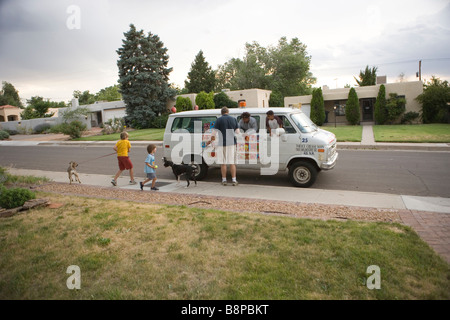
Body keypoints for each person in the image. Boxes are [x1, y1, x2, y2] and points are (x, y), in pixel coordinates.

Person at [213, 107, 240, 186]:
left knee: (223, 163)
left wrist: (210, 140)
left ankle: (224, 180)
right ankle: (234, 180)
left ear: (221, 113)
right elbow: (237, 132)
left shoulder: (218, 120)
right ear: (228, 112)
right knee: (232, 162)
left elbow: (214, 133)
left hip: (222, 144)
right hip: (232, 143)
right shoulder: (234, 119)